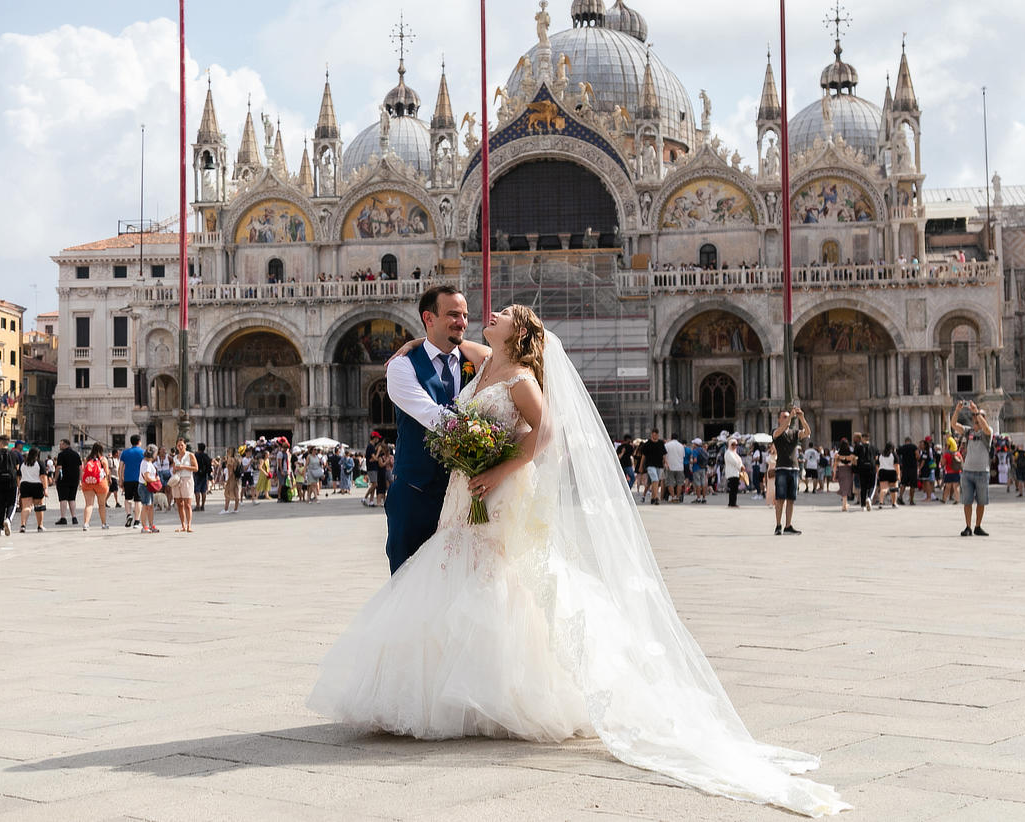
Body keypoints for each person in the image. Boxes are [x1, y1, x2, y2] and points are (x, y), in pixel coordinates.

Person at [309, 306, 847, 816]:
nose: (490, 316)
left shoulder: (520, 375)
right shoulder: (484, 358)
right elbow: (443, 347)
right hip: (465, 489)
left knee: (501, 576)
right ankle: (455, 682)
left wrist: (498, 472)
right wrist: (411, 345)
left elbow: (545, 434)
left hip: (500, 488)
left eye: (505, 315)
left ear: (518, 335)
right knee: (462, 571)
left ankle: (498, 688)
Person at [383, 285, 482, 574]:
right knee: (408, 584)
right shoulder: (402, 366)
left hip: (466, 498)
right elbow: (431, 415)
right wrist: (485, 434)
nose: (462, 322)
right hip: (415, 496)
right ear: (429, 318)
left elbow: (511, 361)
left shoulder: (475, 363)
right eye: (453, 315)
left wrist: (425, 341)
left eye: (464, 315)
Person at [950, 401, 993, 536]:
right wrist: (957, 411)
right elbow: (953, 425)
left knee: (981, 501)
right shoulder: (968, 431)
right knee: (967, 501)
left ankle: (978, 526)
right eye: (975, 417)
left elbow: (985, 428)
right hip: (968, 471)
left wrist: (976, 411)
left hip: (982, 472)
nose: (976, 419)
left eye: (980, 417)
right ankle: (968, 526)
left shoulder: (988, 432)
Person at [771, 407, 809, 535]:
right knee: (780, 499)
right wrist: (790, 417)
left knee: (791, 499)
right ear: (779, 419)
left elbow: (808, 432)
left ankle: (788, 525)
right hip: (781, 468)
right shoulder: (776, 432)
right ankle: (778, 525)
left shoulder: (794, 433)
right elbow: (781, 430)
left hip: (794, 468)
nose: (787, 418)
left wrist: (802, 418)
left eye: (787, 416)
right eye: (784, 417)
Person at [17, 447, 49, 532]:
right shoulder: (39, 463)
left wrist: (19, 486)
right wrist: (45, 489)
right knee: (39, 507)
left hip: (25, 485)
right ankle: (40, 526)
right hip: (37, 485)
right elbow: (43, 476)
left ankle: (23, 525)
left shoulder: (23, 463)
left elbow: (19, 476)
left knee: (26, 507)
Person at [80, 443, 110, 530]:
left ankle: (86, 524)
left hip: (88, 482)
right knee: (101, 505)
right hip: (100, 483)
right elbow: (107, 472)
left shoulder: (87, 459)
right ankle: (104, 524)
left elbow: (83, 471)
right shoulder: (103, 459)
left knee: (89, 504)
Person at [120, 434, 145, 529]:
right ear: (139, 442)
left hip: (128, 479)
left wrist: (121, 478)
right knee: (138, 500)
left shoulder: (125, 452)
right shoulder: (143, 452)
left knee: (127, 498)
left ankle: (128, 514)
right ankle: (137, 521)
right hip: (139, 479)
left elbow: (121, 467)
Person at [54, 439, 81, 526]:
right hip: (74, 480)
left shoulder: (61, 454)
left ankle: (63, 518)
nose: (60, 446)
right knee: (72, 498)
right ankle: (74, 517)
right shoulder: (76, 454)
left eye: (61, 444)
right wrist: (80, 480)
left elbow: (59, 467)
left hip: (64, 479)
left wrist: (55, 478)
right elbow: (80, 468)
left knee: (63, 499)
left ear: (66, 445)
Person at [638, 430, 667, 506]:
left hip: (659, 465)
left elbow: (664, 454)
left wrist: (666, 463)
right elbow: (643, 456)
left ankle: (652, 498)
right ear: (651, 435)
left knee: (655, 482)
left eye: (656, 435)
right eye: (654, 435)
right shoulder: (647, 444)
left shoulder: (661, 443)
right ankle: (656, 497)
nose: (655, 436)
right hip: (650, 465)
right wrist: (641, 466)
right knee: (655, 480)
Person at [138, 445, 161, 533]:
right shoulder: (146, 464)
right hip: (145, 486)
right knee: (146, 506)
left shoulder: (148, 462)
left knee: (150, 506)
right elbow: (147, 477)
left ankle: (151, 525)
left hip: (148, 486)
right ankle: (144, 526)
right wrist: (156, 479)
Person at [853, 432, 877, 511]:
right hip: (871, 468)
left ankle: (863, 506)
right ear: (868, 438)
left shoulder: (858, 447)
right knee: (872, 485)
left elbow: (854, 458)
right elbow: (876, 458)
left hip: (862, 468)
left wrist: (855, 467)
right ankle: (869, 498)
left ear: (862, 438)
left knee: (863, 487)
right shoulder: (873, 447)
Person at [663, 432, 686, 503]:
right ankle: (678, 497)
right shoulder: (681, 446)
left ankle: (673, 497)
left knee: (670, 483)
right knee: (679, 483)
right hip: (679, 467)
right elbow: (683, 456)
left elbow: (664, 455)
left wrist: (666, 463)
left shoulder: (667, 445)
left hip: (670, 466)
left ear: (671, 437)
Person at [896, 437, 919, 506]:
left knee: (903, 483)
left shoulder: (902, 447)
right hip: (913, 468)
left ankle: (900, 497)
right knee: (912, 485)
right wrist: (916, 460)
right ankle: (911, 500)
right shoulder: (914, 446)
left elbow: (897, 454)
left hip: (905, 468)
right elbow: (917, 455)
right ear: (910, 441)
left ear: (905, 441)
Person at [722, 438, 745, 507]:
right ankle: (732, 503)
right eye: (733, 445)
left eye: (736, 445)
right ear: (729, 445)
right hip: (732, 473)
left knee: (734, 489)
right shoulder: (728, 453)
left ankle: (732, 502)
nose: (735, 446)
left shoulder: (734, 453)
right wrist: (741, 466)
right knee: (733, 489)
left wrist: (741, 466)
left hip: (736, 473)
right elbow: (735, 462)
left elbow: (739, 461)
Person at [834, 438, 855, 511]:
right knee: (847, 488)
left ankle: (845, 504)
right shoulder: (851, 454)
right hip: (848, 471)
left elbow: (835, 465)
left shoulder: (837, 454)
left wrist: (834, 475)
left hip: (841, 471)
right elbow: (854, 462)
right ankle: (844, 505)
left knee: (843, 487)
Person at [875, 443, 898, 507]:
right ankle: (894, 503)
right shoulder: (893, 454)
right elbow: (896, 465)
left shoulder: (880, 455)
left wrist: (877, 473)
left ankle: (881, 502)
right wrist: (898, 474)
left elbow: (877, 465)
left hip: (882, 472)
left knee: (883, 489)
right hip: (892, 472)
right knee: (893, 489)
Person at [221, 447, 242, 513]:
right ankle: (236, 509)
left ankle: (226, 509)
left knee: (227, 493)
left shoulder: (230, 460)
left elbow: (230, 471)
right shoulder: (237, 460)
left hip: (231, 478)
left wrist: (227, 480)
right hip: (236, 478)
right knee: (236, 493)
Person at [194, 443, 212, 511]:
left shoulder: (196, 455)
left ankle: (197, 505)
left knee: (197, 491)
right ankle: (203, 506)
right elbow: (209, 466)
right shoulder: (206, 456)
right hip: (204, 475)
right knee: (203, 491)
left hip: (197, 474)